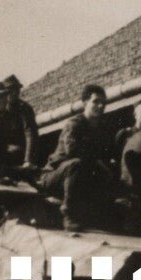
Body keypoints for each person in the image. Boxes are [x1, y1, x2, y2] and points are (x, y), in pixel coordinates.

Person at [40, 84, 119, 231]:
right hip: (55, 176)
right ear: (85, 103)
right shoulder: (74, 124)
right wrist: (98, 162)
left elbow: (108, 154)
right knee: (76, 164)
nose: (100, 106)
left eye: (103, 102)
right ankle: (69, 215)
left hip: (79, 178)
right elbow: (73, 151)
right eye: (96, 101)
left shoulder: (102, 128)